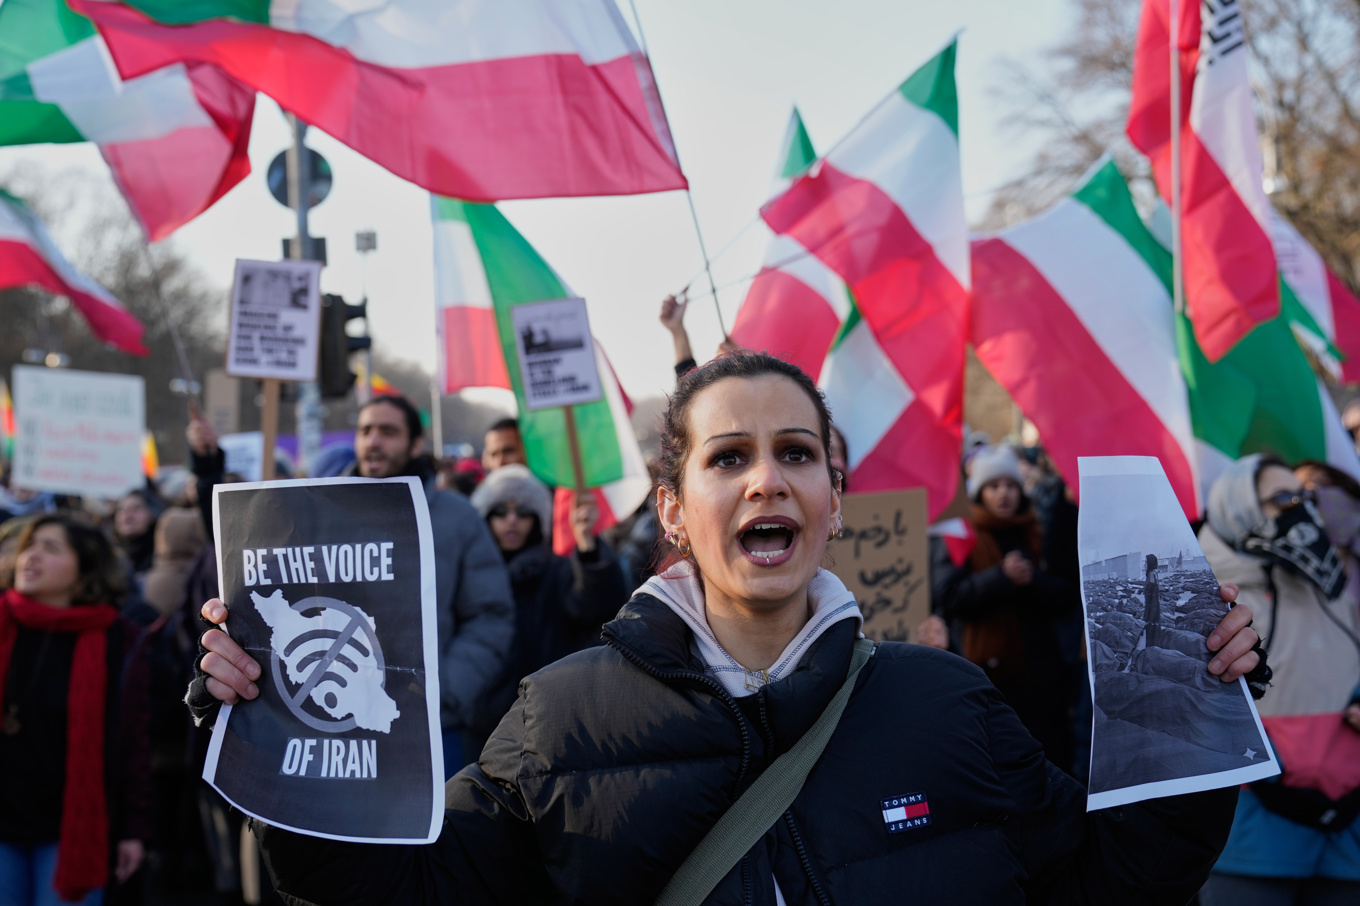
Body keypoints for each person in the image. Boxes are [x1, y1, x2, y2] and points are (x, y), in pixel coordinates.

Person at [192, 351, 1265, 904]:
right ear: (673, 510)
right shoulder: (558, 721)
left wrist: (1195, 728)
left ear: (834, 500)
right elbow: (392, 894)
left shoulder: (944, 707)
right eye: (729, 456)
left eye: (797, 454)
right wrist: (284, 733)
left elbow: (1106, 884)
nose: (769, 477)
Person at [313, 395, 512, 776]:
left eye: (388, 432)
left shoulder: (457, 519)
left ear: (416, 444)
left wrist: (443, 692)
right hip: (336, 729)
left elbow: (490, 615)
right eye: (365, 430)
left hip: (431, 730)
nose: (373, 441)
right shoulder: (324, 513)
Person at [1197, 455, 1360, 904]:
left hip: (1346, 827)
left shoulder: (1334, 589)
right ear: (1238, 507)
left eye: (1305, 498)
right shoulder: (1209, 594)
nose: (1301, 510)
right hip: (1252, 832)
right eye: (1282, 500)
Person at [0, 515, 151, 905]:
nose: (30, 557)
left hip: (72, 830)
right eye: (29, 546)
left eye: (50, 548)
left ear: (85, 567)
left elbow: (133, 744)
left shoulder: (120, 641)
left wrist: (133, 829)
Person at [930, 444, 1081, 770]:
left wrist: (1032, 581)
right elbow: (949, 596)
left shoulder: (1035, 529)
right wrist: (1000, 577)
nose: (1004, 494)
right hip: (991, 672)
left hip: (1043, 673)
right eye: (994, 486)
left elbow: (1063, 593)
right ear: (981, 492)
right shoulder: (963, 534)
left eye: (1011, 485)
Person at [466, 465, 629, 737]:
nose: (512, 520)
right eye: (500, 512)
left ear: (538, 518)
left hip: (543, 720)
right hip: (480, 723)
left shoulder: (557, 570)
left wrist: (589, 549)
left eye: (523, 512)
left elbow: (596, 607)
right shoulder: (469, 576)